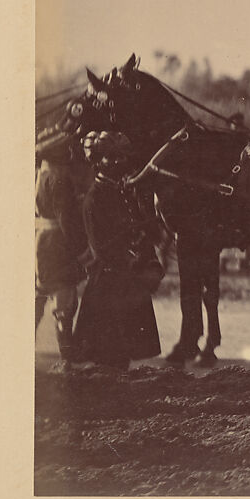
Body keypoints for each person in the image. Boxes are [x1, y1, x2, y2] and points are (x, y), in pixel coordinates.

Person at [73, 132, 163, 371]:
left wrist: (151, 261)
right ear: (97, 162)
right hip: (109, 285)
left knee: (122, 357)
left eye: (119, 158)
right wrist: (134, 264)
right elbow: (101, 249)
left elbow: (139, 229)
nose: (116, 163)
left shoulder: (123, 193)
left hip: (127, 281)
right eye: (109, 158)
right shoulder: (93, 199)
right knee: (107, 354)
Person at [35, 150, 89, 364]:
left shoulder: (42, 173)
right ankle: (68, 354)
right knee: (64, 303)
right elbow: (66, 219)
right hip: (58, 244)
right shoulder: (59, 179)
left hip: (41, 240)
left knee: (39, 294)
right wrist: (82, 252)